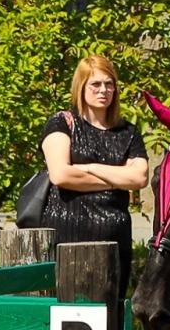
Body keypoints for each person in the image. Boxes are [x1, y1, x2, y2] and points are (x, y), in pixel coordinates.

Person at [40, 54, 151, 295]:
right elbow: (60, 175)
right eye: (96, 84)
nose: (103, 90)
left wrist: (89, 167)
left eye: (109, 84)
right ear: (81, 86)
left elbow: (139, 178)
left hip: (115, 242)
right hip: (68, 239)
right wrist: (117, 179)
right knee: (68, 310)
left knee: (112, 311)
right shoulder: (62, 123)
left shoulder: (128, 132)